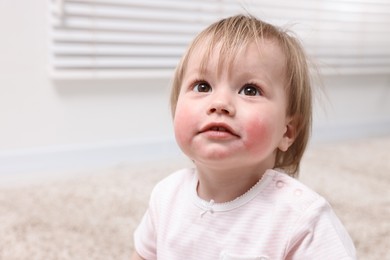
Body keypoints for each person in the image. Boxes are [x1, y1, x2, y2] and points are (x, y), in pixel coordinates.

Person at [131, 14, 356, 259]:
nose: (219, 103)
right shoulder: (166, 196)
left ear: (287, 131)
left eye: (250, 90)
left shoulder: (301, 219)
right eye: (202, 86)